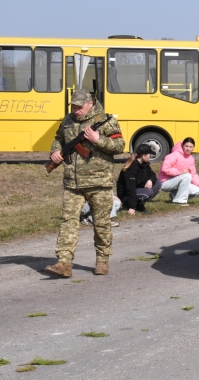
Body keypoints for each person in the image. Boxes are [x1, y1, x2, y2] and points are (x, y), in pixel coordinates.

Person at [45, 90, 125, 278]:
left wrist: (98, 140)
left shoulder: (105, 120)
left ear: (90, 103)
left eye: (79, 107)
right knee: (68, 222)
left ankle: (102, 260)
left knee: (102, 224)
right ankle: (64, 263)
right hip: (73, 183)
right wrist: (55, 152)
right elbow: (58, 139)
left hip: (99, 182)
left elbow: (119, 146)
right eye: (73, 106)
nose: (76, 110)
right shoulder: (68, 120)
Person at [117, 143, 162, 214]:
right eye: (149, 154)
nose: (150, 156)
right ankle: (131, 204)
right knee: (149, 192)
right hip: (126, 194)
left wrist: (150, 180)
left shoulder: (144, 164)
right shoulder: (132, 168)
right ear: (144, 156)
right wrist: (132, 207)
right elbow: (130, 189)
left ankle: (139, 202)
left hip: (137, 189)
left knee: (158, 183)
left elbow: (152, 174)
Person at [159, 138, 199, 204]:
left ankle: (174, 195)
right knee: (186, 176)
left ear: (193, 148)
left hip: (180, 182)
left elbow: (193, 174)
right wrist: (179, 172)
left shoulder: (191, 159)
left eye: (190, 147)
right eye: (186, 146)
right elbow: (165, 169)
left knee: (197, 191)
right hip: (165, 182)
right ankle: (180, 200)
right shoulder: (174, 155)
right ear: (182, 146)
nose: (188, 149)